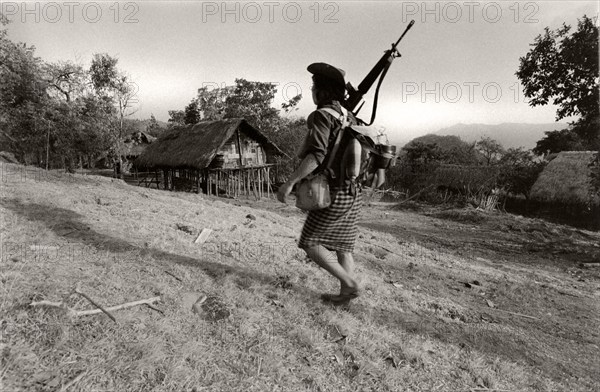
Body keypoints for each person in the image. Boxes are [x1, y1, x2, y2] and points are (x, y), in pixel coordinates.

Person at [277, 62, 364, 304]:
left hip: (331, 191)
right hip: (353, 191)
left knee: (310, 243)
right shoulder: (350, 116)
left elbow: (316, 155)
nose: (311, 91)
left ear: (322, 91)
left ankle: (350, 284)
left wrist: (290, 183)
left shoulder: (322, 116)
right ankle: (346, 296)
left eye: (313, 87)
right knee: (343, 247)